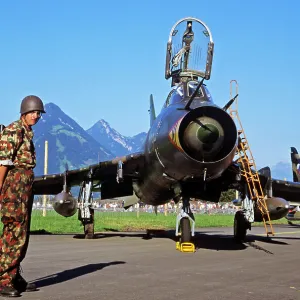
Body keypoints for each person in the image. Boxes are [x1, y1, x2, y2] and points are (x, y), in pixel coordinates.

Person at [0, 95, 45, 297]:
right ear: (24, 112)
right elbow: (2, 164)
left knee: (22, 234)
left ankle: (14, 274)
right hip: (13, 187)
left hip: (24, 188)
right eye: (33, 112)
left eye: (38, 113)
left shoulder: (27, 133)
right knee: (12, 233)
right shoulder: (13, 131)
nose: (36, 116)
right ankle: (3, 279)